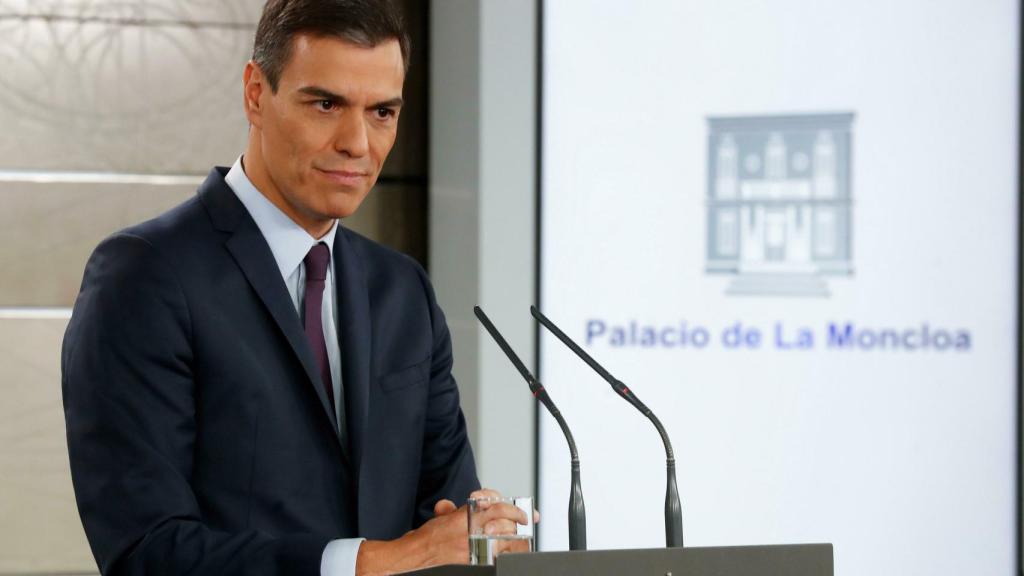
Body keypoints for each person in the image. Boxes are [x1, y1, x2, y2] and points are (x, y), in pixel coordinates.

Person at [61, 1, 527, 574]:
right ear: (256, 93)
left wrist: (478, 536)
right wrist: (370, 562)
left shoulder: (402, 291)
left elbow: (442, 517)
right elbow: (146, 550)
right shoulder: (144, 275)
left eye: (382, 111)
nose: (357, 142)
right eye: (326, 104)